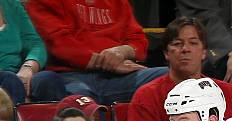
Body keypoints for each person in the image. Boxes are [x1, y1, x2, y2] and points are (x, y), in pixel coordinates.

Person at [128, 17, 232, 121]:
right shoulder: (146, 96)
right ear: (166, 53)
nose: (185, 49)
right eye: (177, 44)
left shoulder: (227, 92)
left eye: (193, 43)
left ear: (204, 52)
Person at [25, 0, 167, 106]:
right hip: (70, 76)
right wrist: (107, 61)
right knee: (82, 98)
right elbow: (58, 44)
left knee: (170, 77)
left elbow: (138, 39)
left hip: (117, 77)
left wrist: (122, 52)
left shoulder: (118, 3)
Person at [0, 0, 66, 106]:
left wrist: (28, 67)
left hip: (17, 73)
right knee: (10, 81)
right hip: (6, 77)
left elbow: (35, 43)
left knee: (48, 80)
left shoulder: (10, 4)